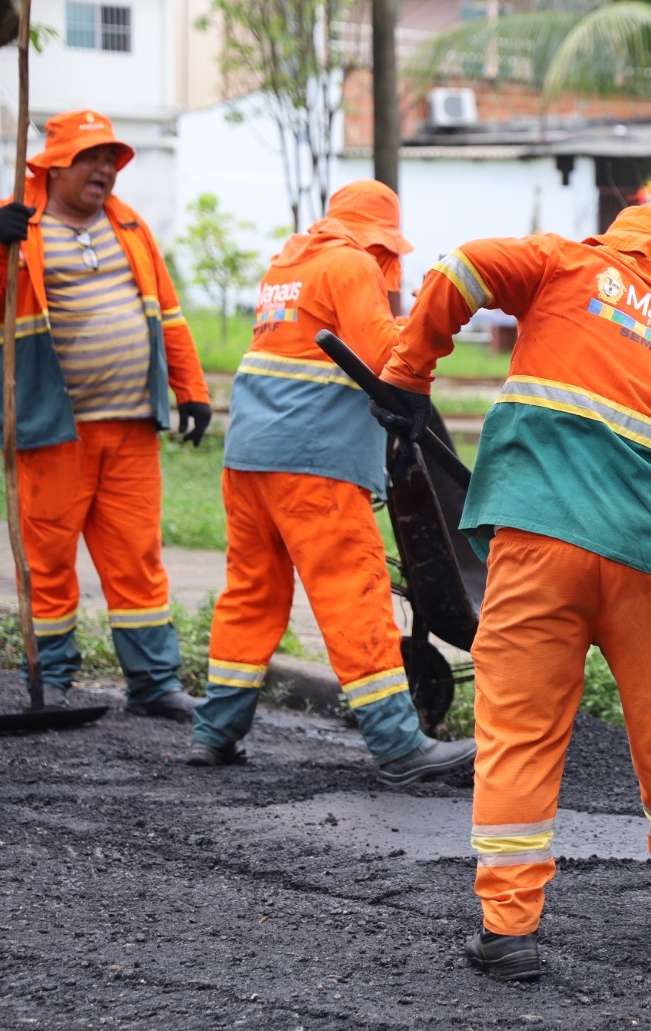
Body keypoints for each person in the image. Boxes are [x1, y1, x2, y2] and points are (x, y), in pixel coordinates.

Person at [371, 204, 651, 982]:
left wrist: (408, 373)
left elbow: (464, 265)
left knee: (520, 727)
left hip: (540, 540)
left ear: (621, 243)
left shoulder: (567, 265)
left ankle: (508, 930)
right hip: (650, 555)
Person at [188, 180, 476, 788]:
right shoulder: (350, 264)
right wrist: (430, 314)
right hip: (311, 460)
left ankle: (215, 732)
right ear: (380, 238)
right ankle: (399, 746)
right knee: (354, 592)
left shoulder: (287, 265)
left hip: (249, 458)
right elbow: (384, 357)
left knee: (252, 593)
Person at [0, 110, 211, 718]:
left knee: (137, 556)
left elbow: (167, 312)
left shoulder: (130, 225)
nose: (105, 168)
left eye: (111, 157)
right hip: (52, 428)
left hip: (131, 426)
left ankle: (154, 682)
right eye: (91, 157)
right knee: (50, 556)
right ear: (53, 164)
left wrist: (190, 388)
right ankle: (52, 678)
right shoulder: (14, 223)